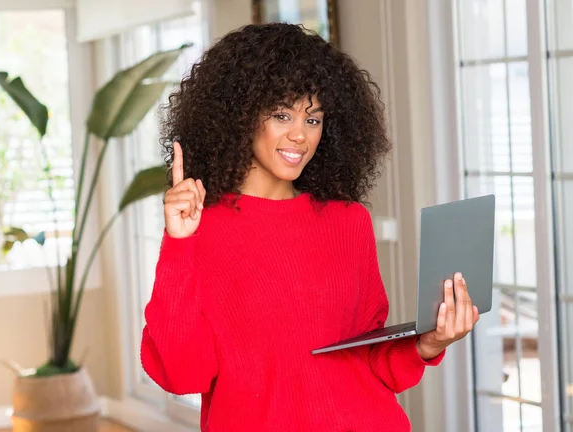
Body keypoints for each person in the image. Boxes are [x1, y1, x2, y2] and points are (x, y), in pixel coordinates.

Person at [141, 23, 479, 431]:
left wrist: (429, 342)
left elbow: (370, 357)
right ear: (240, 114)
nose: (299, 135)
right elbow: (183, 374)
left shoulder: (348, 220)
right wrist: (178, 243)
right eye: (282, 114)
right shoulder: (199, 229)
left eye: (313, 119)